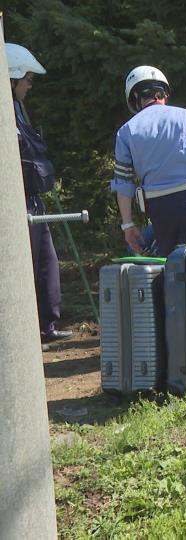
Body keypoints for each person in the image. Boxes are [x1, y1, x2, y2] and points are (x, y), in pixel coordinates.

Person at [111, 66, 186, 256]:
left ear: (136, 97)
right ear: (164, 92)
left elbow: (122, 183)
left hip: (159, 206)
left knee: (171, 268)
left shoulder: (126, 131)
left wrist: (128, 225)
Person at [8, 43, 71, 343]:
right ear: (11, 77)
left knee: (46, 260)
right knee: (20, 264)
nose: (30, 85)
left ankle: (47, 326)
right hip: (13, 203)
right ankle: (20, 333)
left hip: (33, 199)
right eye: (28, 80)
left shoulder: (17, 108)